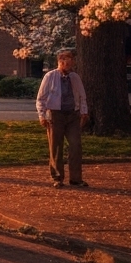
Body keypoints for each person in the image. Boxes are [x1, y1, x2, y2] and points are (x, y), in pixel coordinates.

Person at [37, 48, 88, 188]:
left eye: (71, 60)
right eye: (67, 60)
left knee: (75, 145)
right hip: (56, 114)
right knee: (56, 146)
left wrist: (83, 111)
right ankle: (57, 177)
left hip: (72, 114)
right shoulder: (50, 77)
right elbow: (40, 98)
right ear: (60, 61)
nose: (70, 63)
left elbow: (82, 95)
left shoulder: (75, 77)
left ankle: (76, 178)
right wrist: (42, 116)